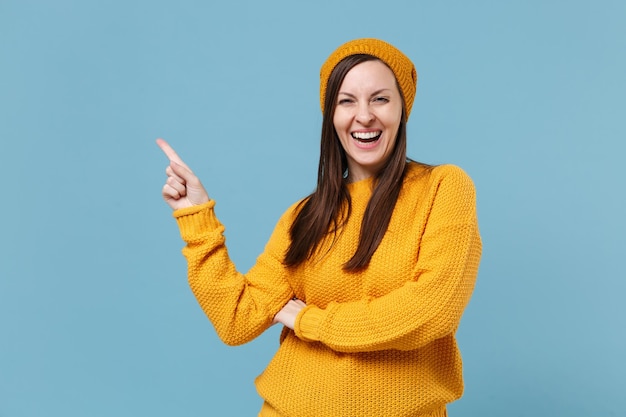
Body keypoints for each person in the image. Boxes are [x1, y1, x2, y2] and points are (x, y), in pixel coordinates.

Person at [157, 38, 482, 417]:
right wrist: (196, 218)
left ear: (402, 109)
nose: (364, 116)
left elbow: (430, 311)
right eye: (347, 101)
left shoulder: (443, 187)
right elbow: (237, 319)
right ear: (331, 115)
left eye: (380, 99)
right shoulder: (305, 215)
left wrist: (308, 319)